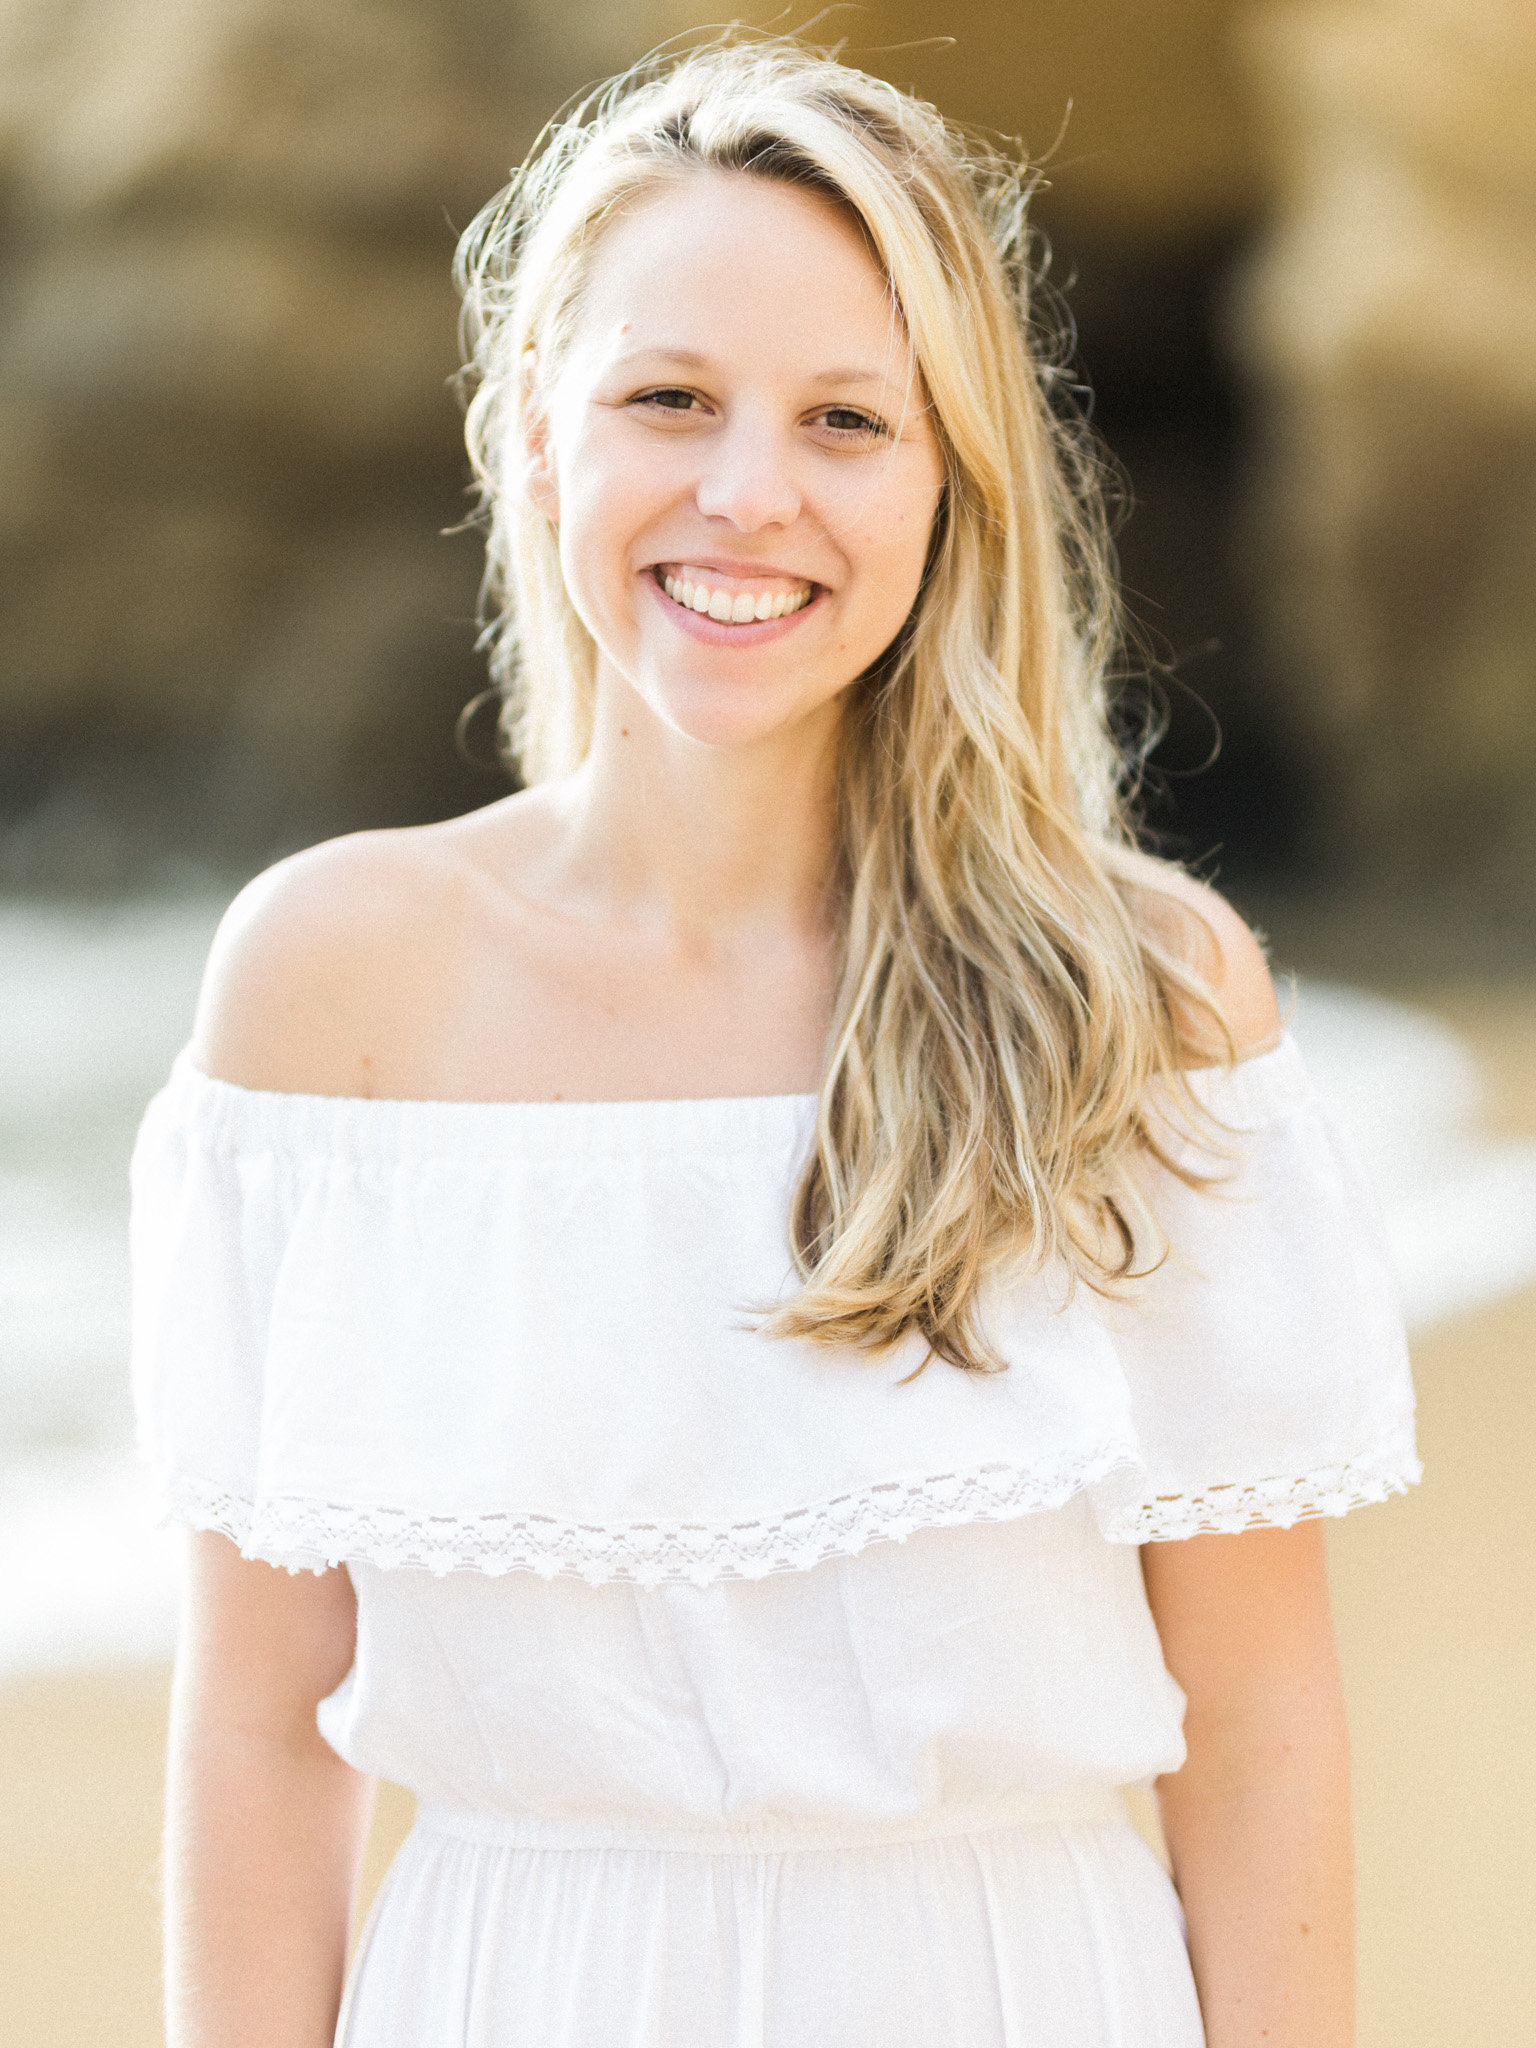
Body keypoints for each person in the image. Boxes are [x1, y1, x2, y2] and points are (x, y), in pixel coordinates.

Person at [130, 37, 1419, 2048]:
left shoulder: (1136, 998)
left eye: (845, 418)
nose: (750, 494)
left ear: (948, 475)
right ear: (535, 434)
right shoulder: (326, 993)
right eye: (668, 397)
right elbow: (261, 1736)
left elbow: (1258, 1739)